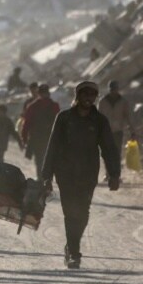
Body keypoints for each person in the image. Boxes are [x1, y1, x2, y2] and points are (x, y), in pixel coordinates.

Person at [41, 81, 120, 269]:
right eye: (85, 94)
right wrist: (46, 176)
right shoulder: (64, 118)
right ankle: (74, 253)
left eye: (92, 95)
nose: (88, 98)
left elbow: (109, 148)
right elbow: (53, 146)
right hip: (65, 173)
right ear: (78, 96)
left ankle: (71, 245)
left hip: (88, 174)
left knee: (83, 213)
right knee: (70, 212)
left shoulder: (100, 121)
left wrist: (114, 174)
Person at [98, 80, 135, 178]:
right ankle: (108, 173)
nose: (113, 92)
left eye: (115, 89)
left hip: (118, 131)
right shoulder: (103, 101)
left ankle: (116, 175)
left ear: (118, 89)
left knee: (116, 153)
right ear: (109, 90)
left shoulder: (123, 102)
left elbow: (128, 116)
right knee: (106, 153)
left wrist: (132, 130)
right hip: (105, 131)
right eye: (112, 90)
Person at [22, 84, 60, 178]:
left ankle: (41, 180)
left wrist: (25, 138)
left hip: (37, 139)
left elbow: (26, 124)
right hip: (50, 138)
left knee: (39, 161)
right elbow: (60, 123)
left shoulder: (32, 106)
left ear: (39, 94)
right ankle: (47, 180)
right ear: (48, 93)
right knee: (49, 160)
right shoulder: (54, 106)